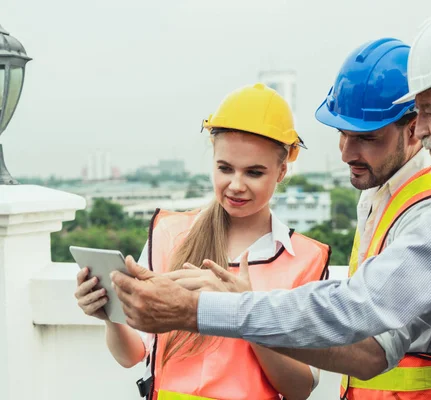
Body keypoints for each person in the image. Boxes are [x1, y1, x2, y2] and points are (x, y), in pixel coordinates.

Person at [112, 7, 431, 399]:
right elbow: (376, 347)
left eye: (430, 113)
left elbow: (354, 309)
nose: (423, 129)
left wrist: (201, 308)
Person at [76, 83, 330, 400]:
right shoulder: (169, 234)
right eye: (225, 168)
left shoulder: (305, 259)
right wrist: (109, 316)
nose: (236, 185)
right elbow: (133, 355)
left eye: (254, 172)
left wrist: (248, 311)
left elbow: (299, 388)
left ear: (281, 171)